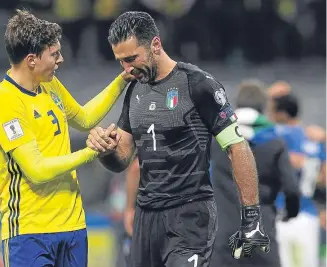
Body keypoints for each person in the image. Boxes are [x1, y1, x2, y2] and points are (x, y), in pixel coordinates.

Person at [86, 11, 270, 267]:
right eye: (120, 62)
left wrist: (251, 215)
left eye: (131, 59)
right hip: (146, 218)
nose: (126, 69)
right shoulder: (134, 90)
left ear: (155, 45)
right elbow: (124, 159)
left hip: (189, 214)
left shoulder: (198, 85)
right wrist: (105, 150)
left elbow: (237, 148)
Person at [0, 9, 132, 267]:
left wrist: (122, 80)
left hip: (73, 225)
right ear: (32, 59)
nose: (61, 59)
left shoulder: (49, 84)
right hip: (30, 232)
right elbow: (36, 170)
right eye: (54, 54)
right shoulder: (3, 101)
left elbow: (85, 118)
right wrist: (91, 152)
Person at [210, 80, 300, 267]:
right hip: (262, 234)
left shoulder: (216, 140)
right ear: (265, 107)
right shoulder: (275, 141)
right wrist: (290, 213)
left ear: (237, 103)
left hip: (224, 236)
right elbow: (291, 189)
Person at [269, 93, 326, 267]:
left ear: (281, 113)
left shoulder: (274, 135)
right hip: (308, 214)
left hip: (280, 214)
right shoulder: (314, 137)